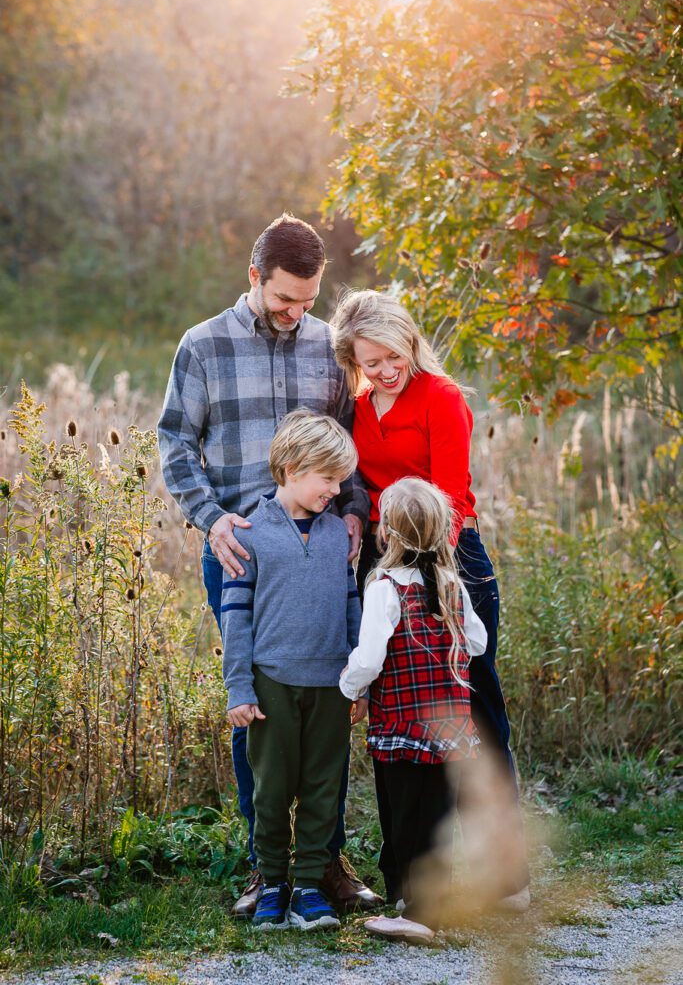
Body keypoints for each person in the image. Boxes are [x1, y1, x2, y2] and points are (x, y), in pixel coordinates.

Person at [157, 215, 380, 915]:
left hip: (323, 557)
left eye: (307, 300)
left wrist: (352, 509)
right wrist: (212, 516)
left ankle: (325, 867)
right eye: (284, 298)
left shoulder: (324, 346)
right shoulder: (203, 345)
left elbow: (345, 445)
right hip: (241, 550)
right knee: (257, 710)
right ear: (254, 277)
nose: (296, 313)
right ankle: (266, 871)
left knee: (326, 709)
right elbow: (175, 444)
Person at [331, 289, 531, 912]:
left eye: (395, 355)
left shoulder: (440, 398)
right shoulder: (360, 407)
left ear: (411, 343)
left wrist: (429, 571)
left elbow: (453, 495)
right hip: (386, 565)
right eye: (372, 361)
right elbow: (360, 484)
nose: (386, 370)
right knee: (406, 716)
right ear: (354, 361)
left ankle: (508, 874)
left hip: (450, 558)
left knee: (475, 707)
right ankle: (420, 876)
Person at [224, 411, 366, 930]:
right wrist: (239, 686)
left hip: (331, 683)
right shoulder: (250, 532)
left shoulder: (337, 535)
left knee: (323, 786)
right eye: (327, 478)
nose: (336, 489)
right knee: (272, 788)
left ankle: (309, 885)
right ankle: (273, 883)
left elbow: (352, 608)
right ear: (288, 468)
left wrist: (358, 680)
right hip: (271, 683)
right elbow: (235, 618)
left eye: (341, 479)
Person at [340, 478, 487, 944]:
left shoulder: (385, 587)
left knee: (403, 816)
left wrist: (348, 687)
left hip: (402, 727)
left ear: (388, 535)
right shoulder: (452, 586)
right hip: (451, 730)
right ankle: (426, 904)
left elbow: (369, 658)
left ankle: (416, 911)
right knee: (437, 819)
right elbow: (478, 642)